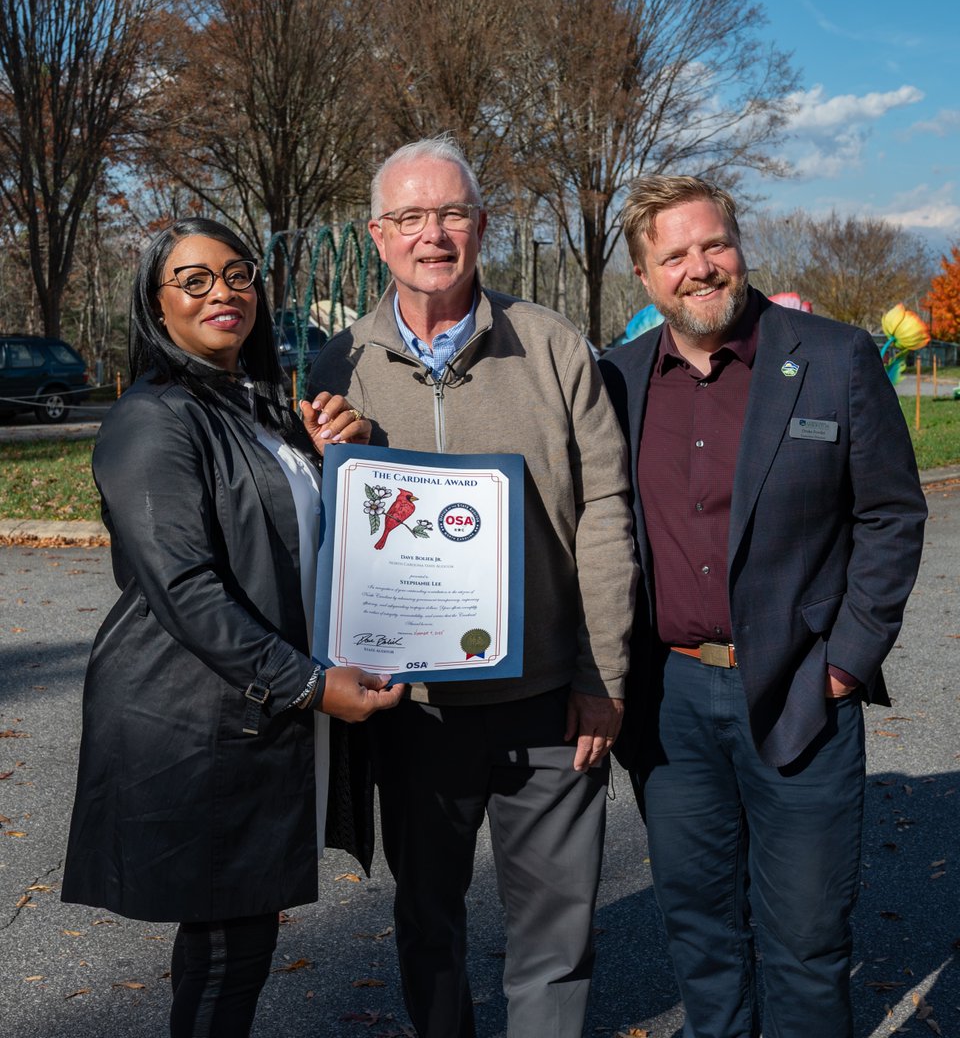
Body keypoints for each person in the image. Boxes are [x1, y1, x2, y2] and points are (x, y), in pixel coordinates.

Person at [307, 137, 638, 1038]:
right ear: (378, 236)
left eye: (452, 213)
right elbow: (314, 527)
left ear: (482, 226)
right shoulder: (336, 366)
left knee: (555, 938)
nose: (434, 235)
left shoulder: (553, 344)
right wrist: (333, 449)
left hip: (549, 703)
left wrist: (600, 677)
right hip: (414, 710)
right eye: (411, 217)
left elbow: (606, 511)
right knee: (428, 924)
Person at [599, 176, 927, 1038]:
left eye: (714, 245)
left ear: (739, 247)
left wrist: (847, 658)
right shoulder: (617, 382)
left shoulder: (833, 355)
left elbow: (891, 513)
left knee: (808, 945)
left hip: (799, 690)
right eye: (674, 255)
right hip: (670, 707)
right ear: (644, 275)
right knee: (702, 938)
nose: (700, 268)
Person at [62, 218, 404, 1037]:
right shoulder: (153, 420)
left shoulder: (259, 412)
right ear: (157, 306)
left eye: (238, 273)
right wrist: (312, 684)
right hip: (194, 725)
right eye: (194, 280)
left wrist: (333, 459)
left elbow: (292, 543)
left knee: (236, 941)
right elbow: (183, 586)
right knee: (224, 951)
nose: (224, 292)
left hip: (254, 713)